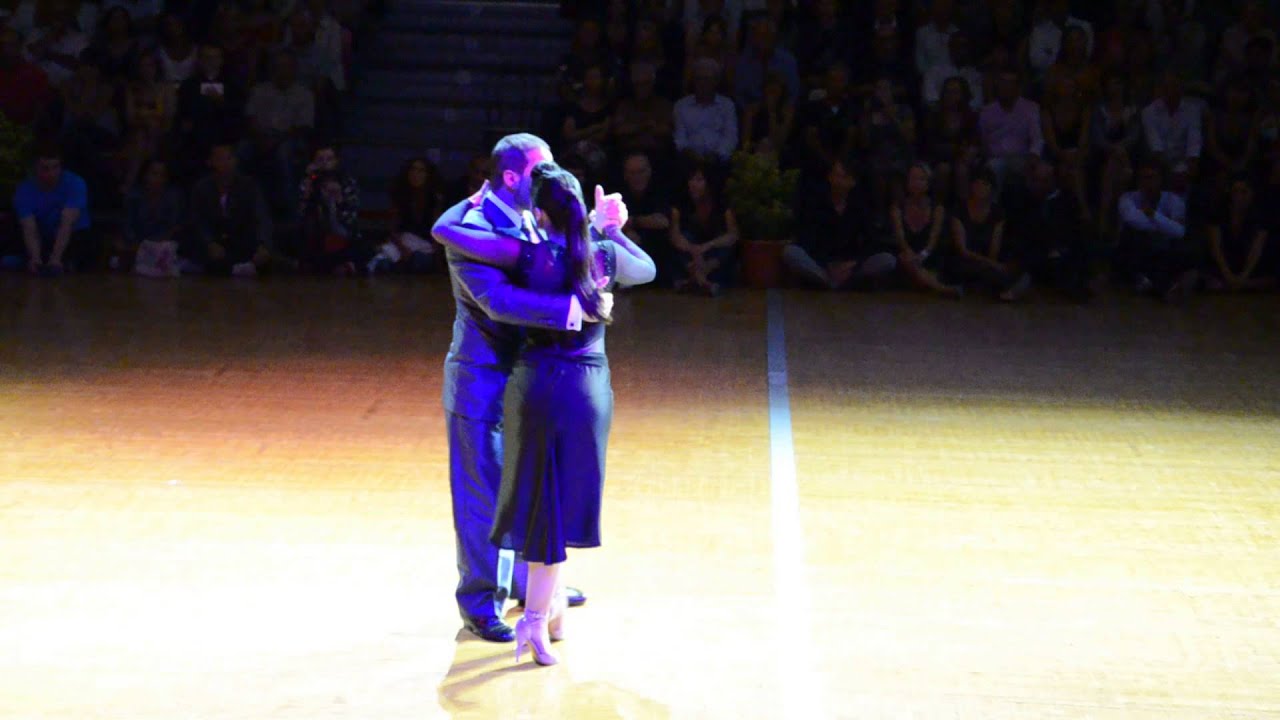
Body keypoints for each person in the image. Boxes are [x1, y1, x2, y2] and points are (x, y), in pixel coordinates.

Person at [434, 164, 656, 667]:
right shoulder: (598, 253)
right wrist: (610, 229)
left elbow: (448, 236)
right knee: (557, 500)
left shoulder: (526, 253)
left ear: (538, 210)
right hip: (587, 390)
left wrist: (468, 204)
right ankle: (547, 609)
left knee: (536, 502)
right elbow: (646, 270)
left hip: (536, 386)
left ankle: (538, 614)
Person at [433, 134, 598, 644]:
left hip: (527, 381)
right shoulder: (472, 229)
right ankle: (482, 601)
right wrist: (570, 313)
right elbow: (498, 302)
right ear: (511, 178)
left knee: (527, 487)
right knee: (482, 497)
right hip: (480, 383)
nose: (549, 180)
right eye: (540, 171)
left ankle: (532, 585)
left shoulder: (533, 215)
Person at [11, 143, 92, 276]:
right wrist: (35, 258)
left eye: (55, 167)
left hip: (73, 236)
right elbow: (29, 227)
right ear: (35, 168)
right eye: (45, 168)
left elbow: (67, 223)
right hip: (43, 235)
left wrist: (56, 259)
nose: (51, 173)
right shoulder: (24, 189)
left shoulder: (75, 183)